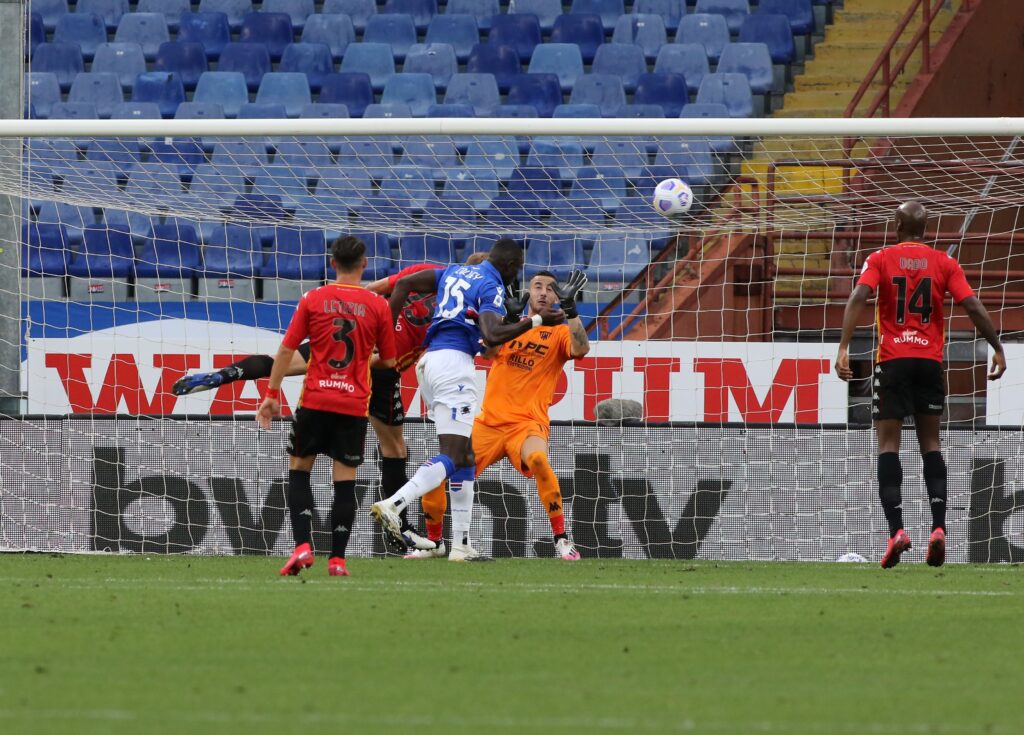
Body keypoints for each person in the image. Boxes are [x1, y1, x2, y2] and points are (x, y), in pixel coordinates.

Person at [173, 253, 490, 552]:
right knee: (394, 449)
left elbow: (377, 288)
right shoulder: (462, 313)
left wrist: (359, 311)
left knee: (282, 361)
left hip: (356, 330)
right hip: (378, 366)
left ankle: (226, 374)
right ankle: (402, 526)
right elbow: (388, 362)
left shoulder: (426, 270)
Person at [835, 201, 1006, 569]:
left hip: (893, 361)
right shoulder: (945, 263)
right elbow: (973, 305)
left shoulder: (879, 259)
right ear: (925, 228)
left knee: (888, 445)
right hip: (929, 362)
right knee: (931, 443)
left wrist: (844, 347)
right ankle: (939, 528)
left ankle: (897, 531)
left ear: (897, 225)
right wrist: (997, 347)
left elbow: (858, 297)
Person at [370, 238, 564, 561]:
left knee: (467, 457)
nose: (517, 278)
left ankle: (460, 544)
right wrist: (536, 320)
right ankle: (395, 504)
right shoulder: (492, 285)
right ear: (511, 266)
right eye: (517, 271)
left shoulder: (453, 271)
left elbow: (402, 283)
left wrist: (384, 337)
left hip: (430, 363)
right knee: (453, 454)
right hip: (455, 366)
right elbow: (490, 337)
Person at [406, 269, 590, 561]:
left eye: (550, 289)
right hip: (489, 423)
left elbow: (581, 349)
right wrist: (506, 320)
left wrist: (571, 311)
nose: (543, 292)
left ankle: (561, 539)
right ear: (528, 291)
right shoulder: (512, 326)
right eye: (537, 286)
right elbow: (489, 353)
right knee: (441, 475)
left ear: (558, 296)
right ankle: (435, 542)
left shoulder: (558, 332)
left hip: (527, 424)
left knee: (539, 459)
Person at [256, 235, 397, 577]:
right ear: (364, 265)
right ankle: (337, 560)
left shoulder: (313, 298)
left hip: (316, 399)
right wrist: (364, 358)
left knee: (299, 470)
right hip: (353, 405)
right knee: (344, 481)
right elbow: (390, 362)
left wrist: (272, 394)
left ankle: (303, 546)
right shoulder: (378, 306)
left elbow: (287, 351)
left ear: (332, 264)